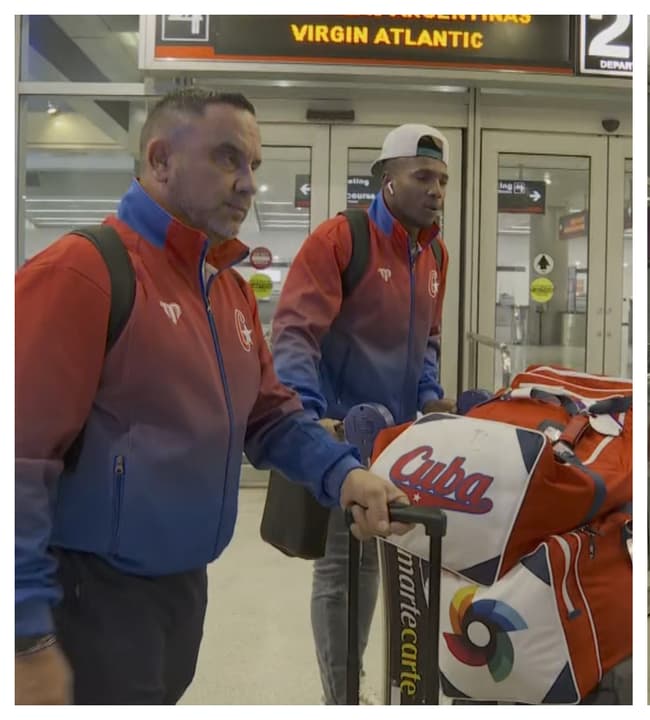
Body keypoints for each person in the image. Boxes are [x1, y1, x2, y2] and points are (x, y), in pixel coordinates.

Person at [15, 87, 412, 705]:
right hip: (88, 601)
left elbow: (270, 416)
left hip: (182, 590)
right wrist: (25, 635)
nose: (248, 183)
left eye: (253, 164)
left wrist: (345, 475)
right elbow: (18, 460)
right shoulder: (81, 273)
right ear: (160, 159)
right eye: (227, 158)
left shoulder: (227, 291)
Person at [270, 123, 454, 705]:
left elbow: (428, 341)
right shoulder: (340, 240)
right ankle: (343, 698)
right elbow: (295, 334)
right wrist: (308, 416)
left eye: (443, 180)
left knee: (380, 562)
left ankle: (362, 687)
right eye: (422, 176)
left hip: (398, 443)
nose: (436, 190)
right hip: (341, 438)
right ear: (387, 179)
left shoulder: (435, 254)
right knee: (342, 569)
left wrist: (431, 397)